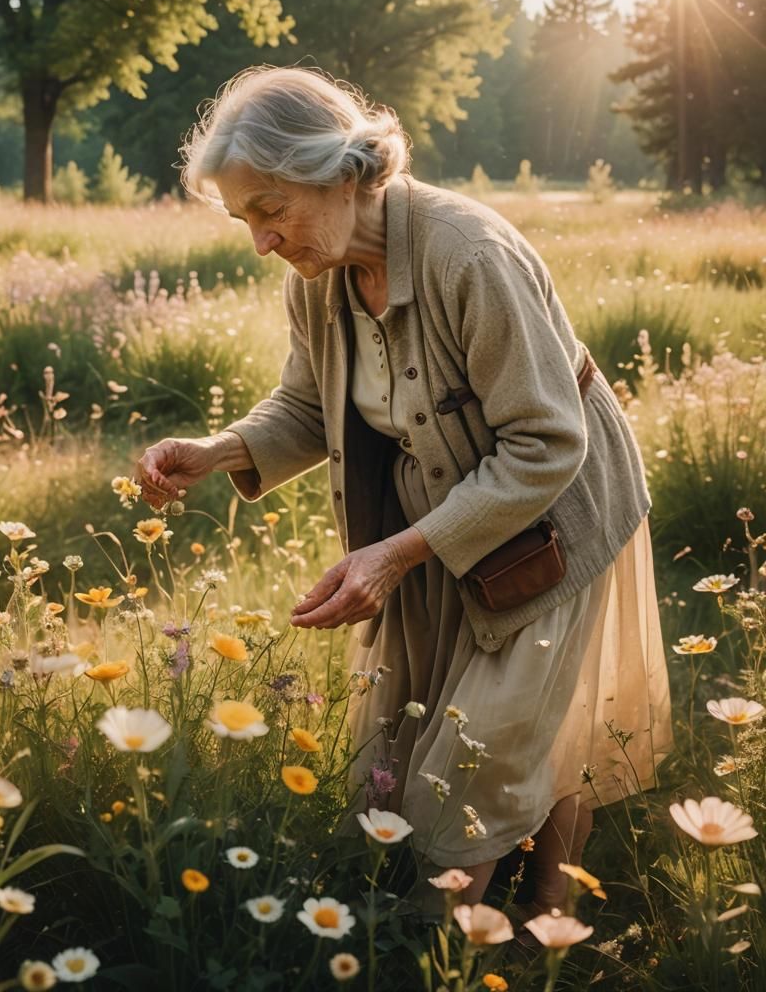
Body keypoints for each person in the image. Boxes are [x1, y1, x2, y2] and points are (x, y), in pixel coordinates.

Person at [134, 65, 674, 925]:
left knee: (488, 741)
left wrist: (394, 553)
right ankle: (523, 920)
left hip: (554, 516)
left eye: (271, 211)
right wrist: (218, 449)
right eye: (245, 220)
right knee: (457, 725)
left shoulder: (470, 254)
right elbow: (310, 405)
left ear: (343, 172)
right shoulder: (315, 273)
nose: (261, 242)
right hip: (442, 521)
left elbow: (547, 442)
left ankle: (467, 938)